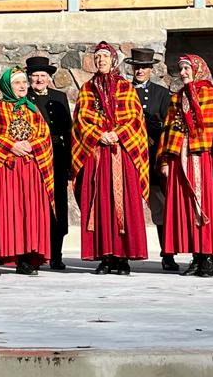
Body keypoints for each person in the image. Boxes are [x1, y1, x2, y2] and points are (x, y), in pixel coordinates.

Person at [71, 42, 149, 275]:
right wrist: (98, 134)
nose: (101, 61)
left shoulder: (126, 87)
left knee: (124, 202)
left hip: (121, 153)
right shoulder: (87, 88)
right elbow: (81, 120)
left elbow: (135, 118)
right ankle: (105, 256)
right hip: (97, 153)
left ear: (113, 60)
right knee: (101, 202)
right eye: (97, 58)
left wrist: (118, 134)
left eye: (104, 57)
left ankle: (123, 257)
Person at [158, 54, 213, 277]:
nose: (183, 72)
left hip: (206, 159)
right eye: (181, 69)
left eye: (187, 68)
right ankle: (196, 257)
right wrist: (165, 160)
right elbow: (169, 129)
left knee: (207, 206)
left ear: (198, 70)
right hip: (181, 158)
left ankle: (208, 257)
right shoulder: (177, 98)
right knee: (187, 207)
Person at [0, 66, 54, 276]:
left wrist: (31, 145)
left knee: (28, 213)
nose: (22, 86)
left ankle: (25, 259)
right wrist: (11, 145)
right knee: (0, 212)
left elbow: (44, 136)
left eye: (24, 82)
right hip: (4, 169)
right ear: (7, 86)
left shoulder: (33, 110)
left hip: (29, 169)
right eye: (17, 83)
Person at [125, 47, 178, 272]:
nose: (140, 71)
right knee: (127, 205)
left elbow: (170, 124)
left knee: (161, 207)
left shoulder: (162, 93)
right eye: (137, 67)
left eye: (144, 67)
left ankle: (168, 254)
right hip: (130, 157)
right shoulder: (124, 91)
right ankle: (123, 254)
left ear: (151, 69)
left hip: (154, 158)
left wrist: (157, 128)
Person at [25, 55, 72, 270]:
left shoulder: (59, 97)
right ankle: (33, 253)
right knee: (36, 205)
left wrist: (70, 163)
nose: (39, 79)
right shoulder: (24, 98)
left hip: (58, 157)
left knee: (59, 206)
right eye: (35, 75)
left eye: (43, 75)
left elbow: (69, 131)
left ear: (49, 77)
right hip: (35, 158)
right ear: (29, 77)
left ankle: (56, 254)